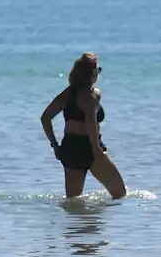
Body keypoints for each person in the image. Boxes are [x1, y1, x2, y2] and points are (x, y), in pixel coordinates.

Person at [40, 53, 126, 199]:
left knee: (74, 200)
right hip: (90, 147)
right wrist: (96, 150)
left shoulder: (67, 94)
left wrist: (55, 146)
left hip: (70, 148)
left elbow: (45, 118)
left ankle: (77, 222)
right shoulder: (93, 95)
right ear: (92, 74)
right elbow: (90, 122)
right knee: (120, 193)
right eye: (98, 70)